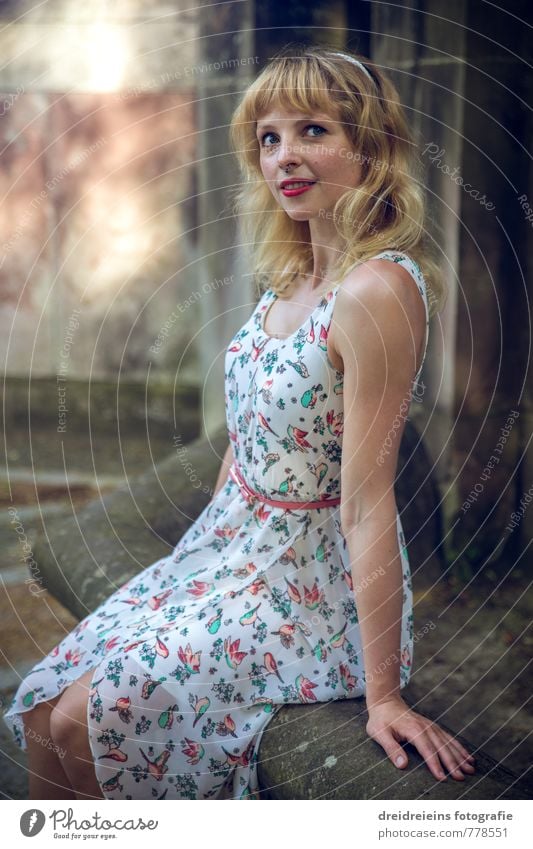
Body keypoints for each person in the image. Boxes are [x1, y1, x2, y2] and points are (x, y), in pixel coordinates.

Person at [3, 44, 475, 800]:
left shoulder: (377, 289)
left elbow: (364, 500)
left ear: (369, 146)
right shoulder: (290, 273)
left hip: (301, 584)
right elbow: (255, 433)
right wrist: (200, 551)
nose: (284, 154)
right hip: (226, 548)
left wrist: (383, 694)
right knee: (40, 705)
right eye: (268, 137)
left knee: (84, 720)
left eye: (313, 130)